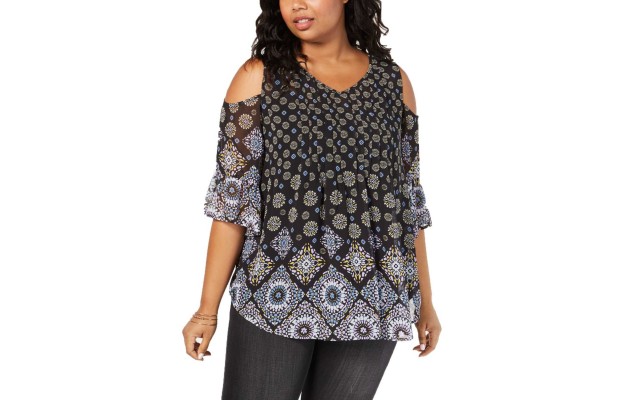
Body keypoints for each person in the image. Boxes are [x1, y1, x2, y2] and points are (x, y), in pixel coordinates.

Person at [182, 0, 442, 398]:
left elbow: (406, 202)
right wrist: (206, 310)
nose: (297, 4)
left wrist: (426, 302)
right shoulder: (259, 77)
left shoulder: (394, 83)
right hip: (276, 290)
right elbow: (232, 200)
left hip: (373, 295)